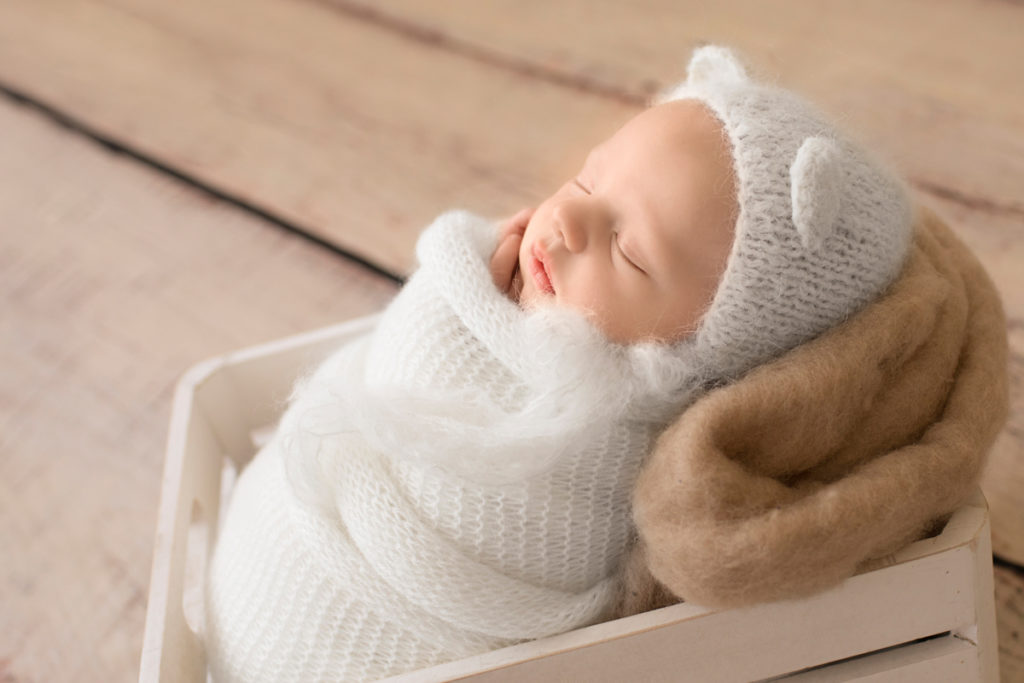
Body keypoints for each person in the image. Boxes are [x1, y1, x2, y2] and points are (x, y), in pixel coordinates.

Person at [204, 46, 917, 682]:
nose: (568, 223)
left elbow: (515, 527)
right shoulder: (511, 272)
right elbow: (392, 367)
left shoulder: (614, 449)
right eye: (586, 181)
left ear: (702, 351)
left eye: (631, 252)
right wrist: (462, 286)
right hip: (263, 553)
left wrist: (469, 307)